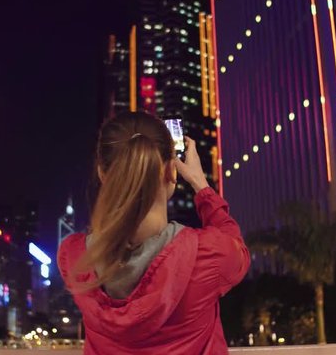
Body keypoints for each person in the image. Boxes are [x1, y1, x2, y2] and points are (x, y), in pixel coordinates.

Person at [57, 112, 250, 354]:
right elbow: (236, 245)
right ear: (172, 172)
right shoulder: (209, 256)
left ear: (102, 174)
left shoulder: (73, 258)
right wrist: (201, 184)